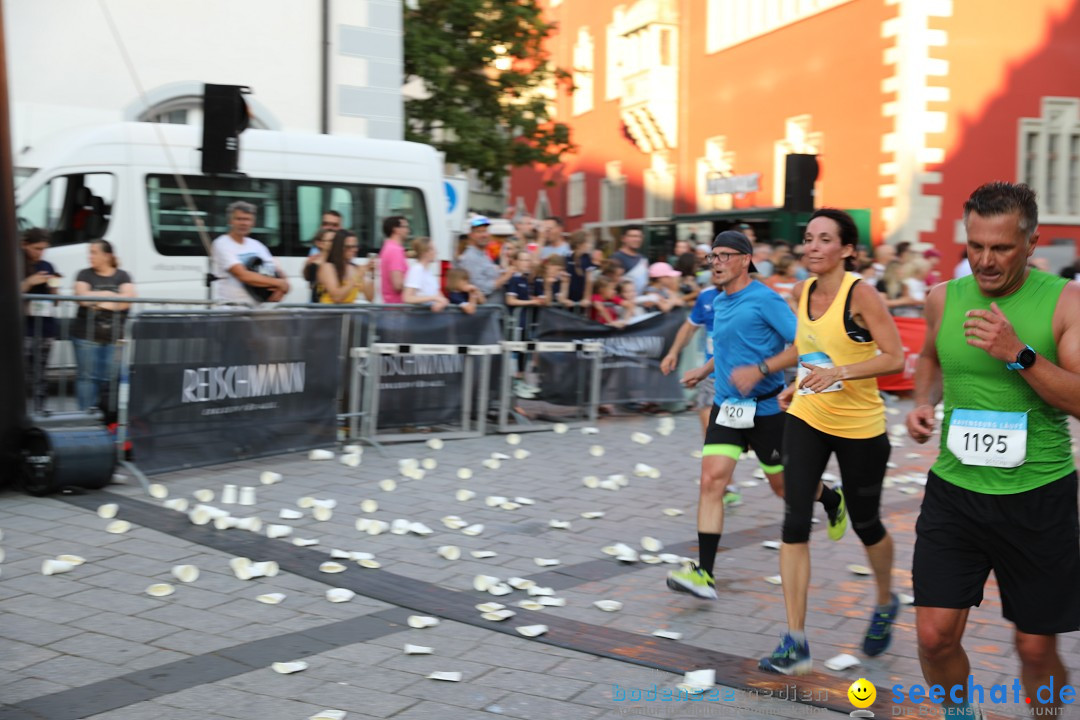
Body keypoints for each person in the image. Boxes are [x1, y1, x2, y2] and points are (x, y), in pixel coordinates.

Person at [906, 182, 1080, 717]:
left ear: (1031, 244)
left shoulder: (1064, 302)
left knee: (1034, 646)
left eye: (1001, 247)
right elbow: (933, 357)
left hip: (1038, 495)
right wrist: (922, 402)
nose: (984, 260)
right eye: (974, 245)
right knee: (934, 637)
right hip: (955, 493)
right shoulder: (943, 298)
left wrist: (1019, 354)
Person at [758, 209, 904, 675]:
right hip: (808, 417)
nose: (813, 246)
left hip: (861, 426)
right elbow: (808, 348)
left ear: (846, 249)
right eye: (808, 238)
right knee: (793, 518)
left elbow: (895, 357)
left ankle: (884, 601)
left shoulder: (861, 294)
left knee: (867, 524)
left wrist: (840, 372)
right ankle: (795, 640)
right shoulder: (800, 291)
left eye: (825, 239)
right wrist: (796, 384)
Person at [668, 231, 846, 601]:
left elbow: (802, 345)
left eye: (723, 256)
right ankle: (704, 573)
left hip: (766, 410)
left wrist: (762, 369)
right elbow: (735, 347)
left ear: (746, 259)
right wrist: (705, 370)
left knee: (783, 487)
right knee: (711, 481)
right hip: (727, 406)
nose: (715, 263)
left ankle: (832, 500)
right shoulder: (718, 301)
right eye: (711, 257)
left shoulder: (766, 300)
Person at [72, 240, 136, 412]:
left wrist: (96, 301)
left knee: (110, 378)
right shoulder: (84, 274)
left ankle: (107, 417)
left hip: (114, 338)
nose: (90, 256)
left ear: (106, 256)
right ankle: (85, 416)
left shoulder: (123, 275)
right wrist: (110, 295)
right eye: (90, 252)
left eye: (94, 252)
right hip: (86, 336)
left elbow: (126, 301)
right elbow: (82, 298)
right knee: (87, 378)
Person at [211, 201, 289, 305]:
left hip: (258, 311)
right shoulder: (222, 243)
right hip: (232, 310)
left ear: (253, 222)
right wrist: (280, 283)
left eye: (248, 219)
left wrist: (282, 288)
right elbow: (243, 276)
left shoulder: (258, 245)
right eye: (239, 219)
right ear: (230, 221)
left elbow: (276, 271)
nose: (244, 223)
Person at [21, 228, 59, 414]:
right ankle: (20, 411)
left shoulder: (47, 265)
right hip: (24, 328)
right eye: (36, 248)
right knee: (22, 372)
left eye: (43, 249)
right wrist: (30, 281)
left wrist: (54, 286)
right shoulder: (16, 263)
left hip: (45, 327)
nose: (40, 253)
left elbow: (56, 300)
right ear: (24, 244)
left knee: (41, 372)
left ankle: (40, 408)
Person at [458, 216, 514, 299]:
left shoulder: (483, 254)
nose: (484, 235)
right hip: (488, 308)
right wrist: (505, 278)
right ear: (471, 235)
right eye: (479, 232)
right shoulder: (470, 257)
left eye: (485, 231)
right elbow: (480, 288)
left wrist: (502, 272)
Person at [317, 230, 373, 304]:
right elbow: (337, 297)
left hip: (349, 314)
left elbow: (370, 297)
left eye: (356, 246)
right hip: (329, 314)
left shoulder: (355, 268)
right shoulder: (327, 267)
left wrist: (370, 274)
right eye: (349, 247)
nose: (354, 250)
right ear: (339, 247)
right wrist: (357, 276)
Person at [402, 237, 449, 311]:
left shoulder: (428, 271)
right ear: (425, 252)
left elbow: (440, 296)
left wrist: (442, 302)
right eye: (433, 249)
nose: (436, 252)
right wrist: (433, 298)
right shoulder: (416, 270)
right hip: (418, 318)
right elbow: (407, 298)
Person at [378, 215, 410, 304]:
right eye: (405, 227)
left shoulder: (388, 247)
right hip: (397, 309)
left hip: (392, 307)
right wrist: (415, 287)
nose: (408, 230)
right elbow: (398, 284)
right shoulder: (395, 250)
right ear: (396, 229)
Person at [611, 226, 649, 294]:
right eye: (633, 236)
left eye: (639, 236)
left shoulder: (643, 258)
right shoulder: (616, 257)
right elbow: (612, 284)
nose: (637, 239)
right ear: (623, 238)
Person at [303, 228, 333, 303]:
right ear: (319, 243)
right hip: (320, 308)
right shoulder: (315, 263)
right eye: (331, 240)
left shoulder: (339, 261)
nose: (334, 243)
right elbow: (314, 288)